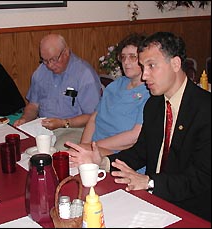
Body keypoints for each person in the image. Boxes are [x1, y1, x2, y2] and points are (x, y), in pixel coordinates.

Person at [67, 32, 211, 221]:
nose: (144, 75)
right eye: (143, 67)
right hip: (154, 200)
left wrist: (150, 182)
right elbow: (139, 153)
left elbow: (201, 178)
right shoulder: (154, 105)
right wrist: (102, 161)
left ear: (175, 64)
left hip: (192, 209)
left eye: (152, 66)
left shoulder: (204, 109)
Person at [13, 33, 102, 150]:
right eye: (45, 60)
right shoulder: (41, 72)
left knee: (60, 152)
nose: (50, 65)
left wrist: (63, 122)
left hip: (74, 128)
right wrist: (25, 119)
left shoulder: (84, 74)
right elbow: (33, 105)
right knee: (17, 143)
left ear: (66, 52)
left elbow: (93, 116)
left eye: (54, 59)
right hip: (44, 126)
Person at [79, 33, 150, 174]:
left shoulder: (150, 92)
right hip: (95, 148)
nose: (126, 62)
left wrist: (91, 147)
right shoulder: (116, 85)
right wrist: (83, 145)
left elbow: (134, 137)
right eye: (123, 57)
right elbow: (94, 118)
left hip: (119, 155)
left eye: (132, 57)